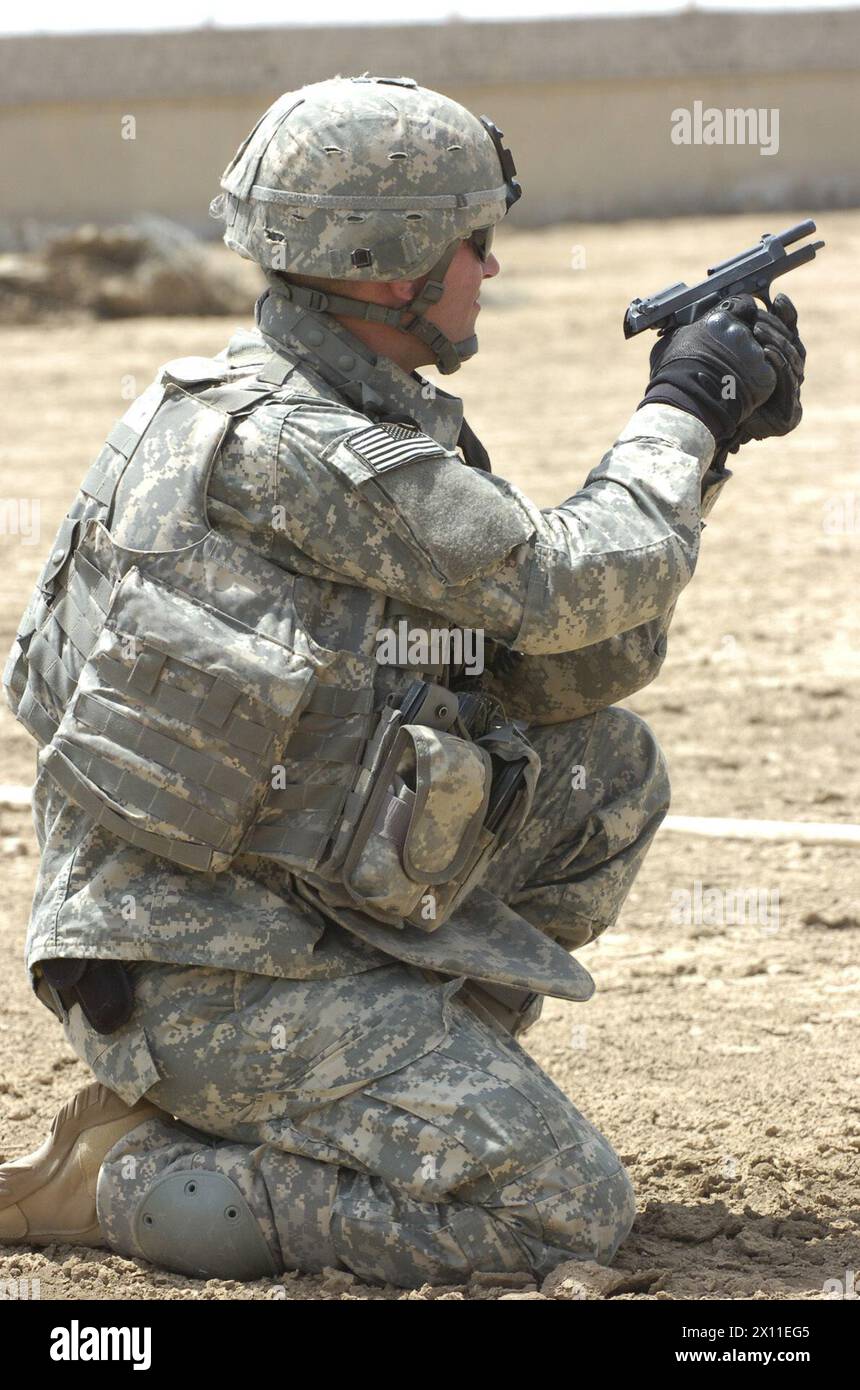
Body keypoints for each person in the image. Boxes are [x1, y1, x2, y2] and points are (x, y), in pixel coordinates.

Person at [0, 76, 805, 1287]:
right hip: (197, 970)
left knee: (601, 773)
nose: (489, 267)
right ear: (390, 268)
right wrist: (681, 408)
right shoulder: (302, 449)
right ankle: (128, 1183)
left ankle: (376, 1095)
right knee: (558, 1212)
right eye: (471, 243)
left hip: (270, 905)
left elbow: (555, 663)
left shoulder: (298, 405)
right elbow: (566, 580)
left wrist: (707, 456)